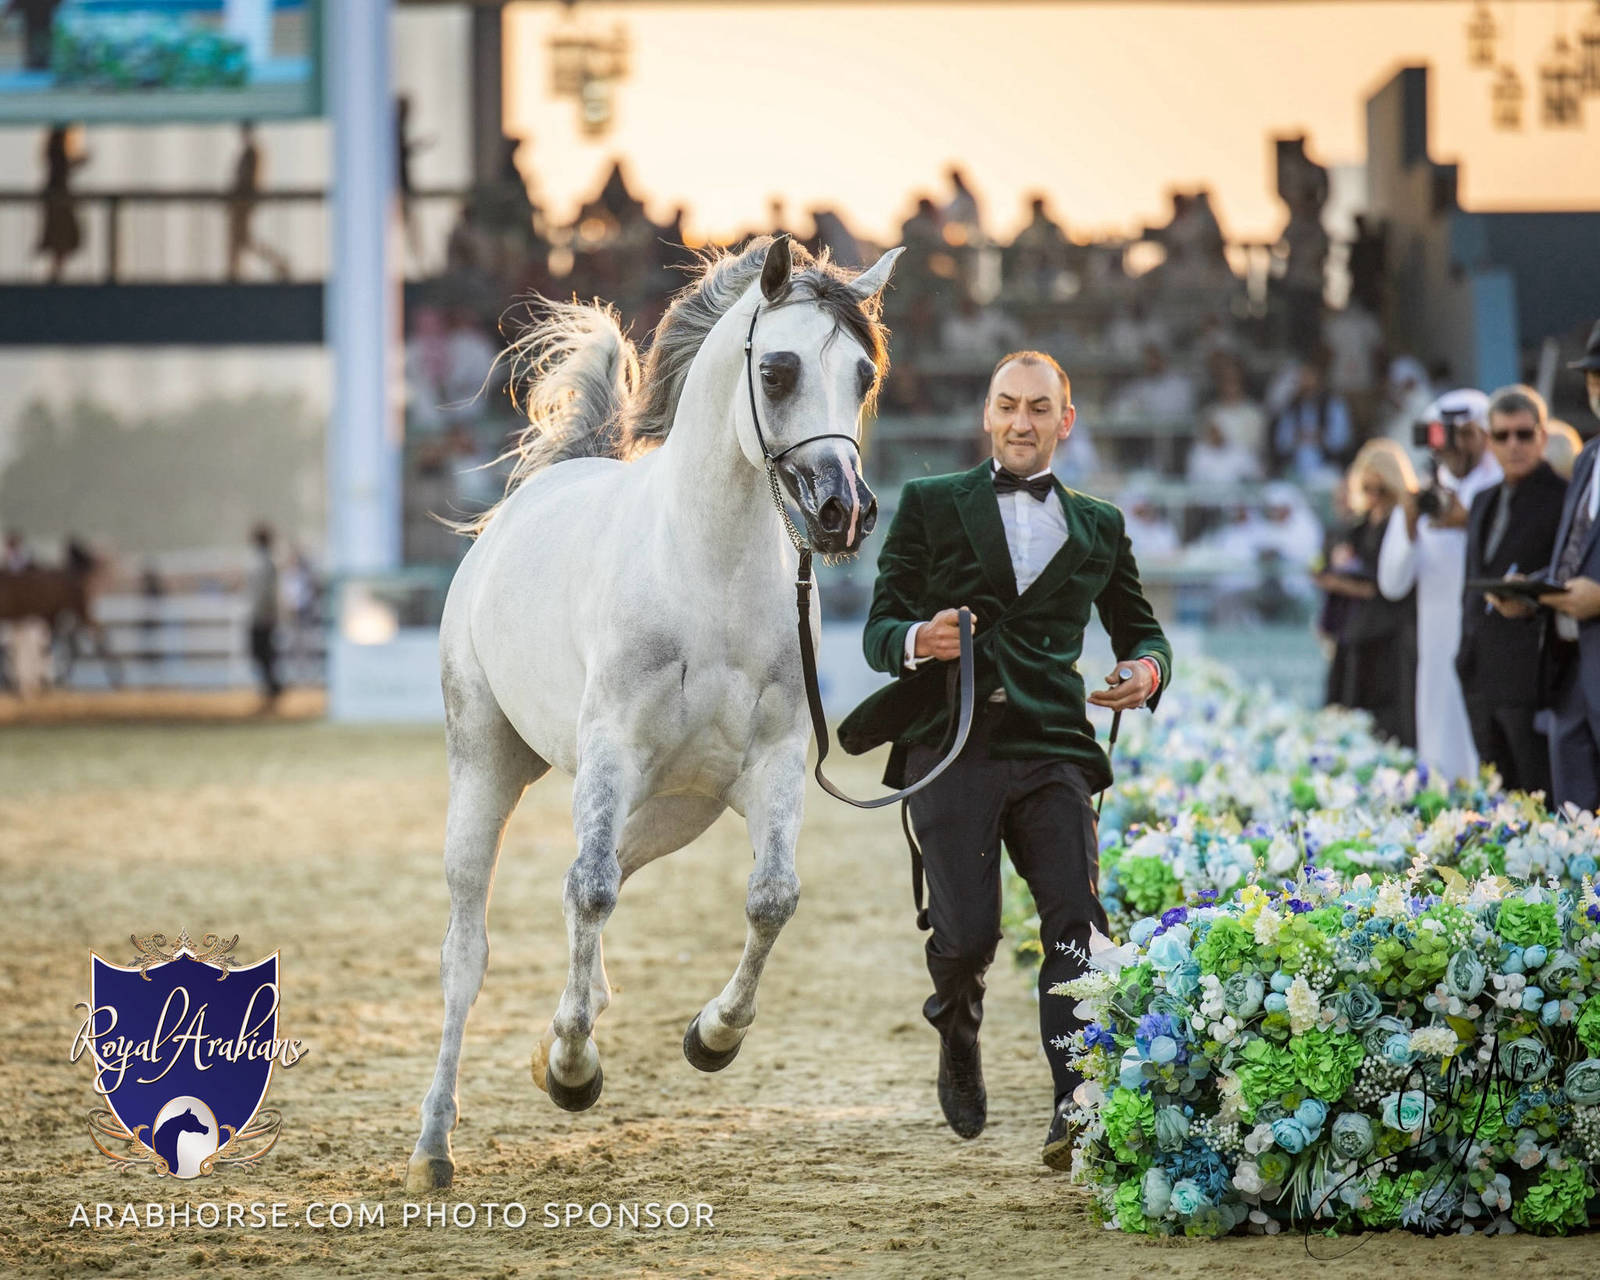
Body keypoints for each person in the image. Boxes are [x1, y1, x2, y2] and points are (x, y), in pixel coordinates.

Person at [837, 350, 1172, 1170]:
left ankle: (1075, 1102)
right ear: (987, 415)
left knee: (1075, 924)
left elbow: (1141, 629)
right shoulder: (928, 504)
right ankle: (957, 1021)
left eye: (1038, 407)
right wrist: (920, 640)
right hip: (954, 744)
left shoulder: (1102, 523)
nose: (1021, 421)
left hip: (1057, 745)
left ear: (1067, 419)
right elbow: (882, 627)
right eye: (1006, 405)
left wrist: (1146, 671)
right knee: (969, 934)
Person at [1377, 389, 1502, 782]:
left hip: (1496, 651)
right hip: (1438, 657)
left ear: (1485, 435)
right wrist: (1412, 527)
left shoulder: (1503, 489)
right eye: (1442, 434)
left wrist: (1470, 523)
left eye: (1465, 433)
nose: (1452, 446)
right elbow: (1392, 584)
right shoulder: (1424, 497)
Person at [1456, 386, 1566, 796]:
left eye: (1523, 434)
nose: (1513, 445)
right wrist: (1464, 654)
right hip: (1479, 673)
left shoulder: (1562, 497)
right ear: (1489, 440)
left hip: (1531, 680)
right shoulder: (1483, 500)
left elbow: (1565, 574)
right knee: (1499, 805)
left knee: (1539, 799)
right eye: (1502, 436)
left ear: (1542, 436)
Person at [1530, 320, 1600, 811]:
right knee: (1573, 811)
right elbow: (1572, 551)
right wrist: (1532, 590)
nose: (1596, 386)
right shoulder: (1588, 457)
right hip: (1572, 656)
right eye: (1594, 377)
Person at [1323, 441, 1418, 746]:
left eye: (1382, 490)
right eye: (1368, 488)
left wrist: (1348, 583)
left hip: (1390, 636)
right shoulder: (1360, 526)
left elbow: (1388, 584)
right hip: (1357, 635)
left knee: (1390, 722)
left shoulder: (1401, 524)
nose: (1374, 497)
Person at [226, 122, 290, 282]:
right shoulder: (248, 152)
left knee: (242, 239)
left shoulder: (253, 152)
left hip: (244, 201)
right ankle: (234, 271)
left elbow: (251, 179)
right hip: (240, 201)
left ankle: (278, 263)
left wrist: (247, 199)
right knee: (241, 239)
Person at [246, 523, 283, 709]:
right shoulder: (266, 562)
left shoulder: (263, 563)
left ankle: (272, 691)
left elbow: (263, 594)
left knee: (262, 655)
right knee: (264, 656)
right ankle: (271, 691)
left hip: (261, 618)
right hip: (263, 616)